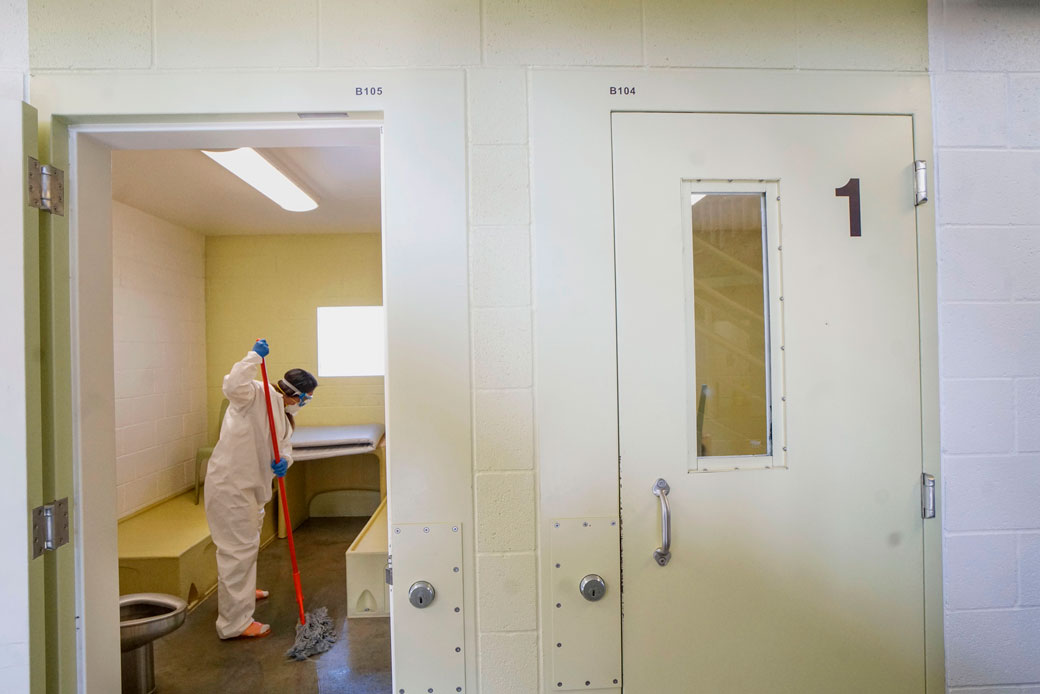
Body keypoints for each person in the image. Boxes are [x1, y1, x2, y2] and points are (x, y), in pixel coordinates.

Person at [204, 339, 318, 639]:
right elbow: (231, 385)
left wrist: (286, 462)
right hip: (231, 486)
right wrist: (253, 357)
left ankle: (240, 592)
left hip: (252, 488)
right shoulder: (256, 393)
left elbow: (283, 447)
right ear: (298, 394)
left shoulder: (283, 412)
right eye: (307, 397)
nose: (306, 402)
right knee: (237, 552)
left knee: (245, 547)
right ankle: (234, 624)